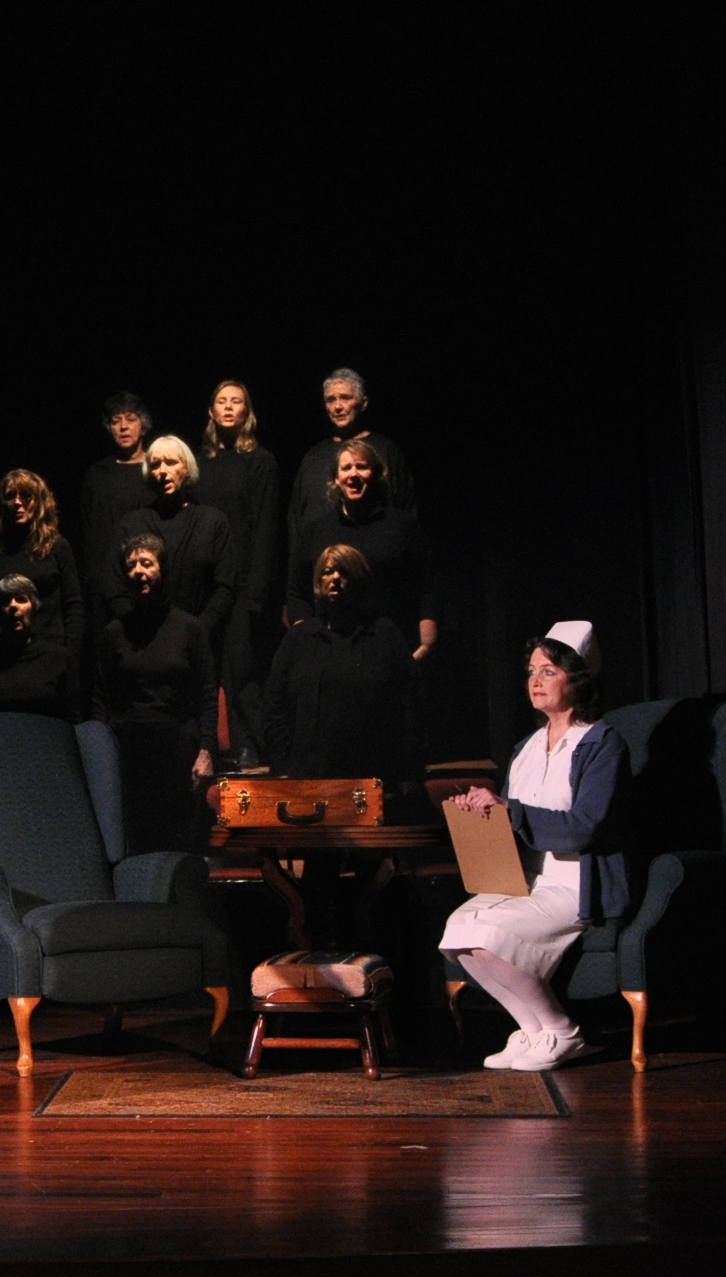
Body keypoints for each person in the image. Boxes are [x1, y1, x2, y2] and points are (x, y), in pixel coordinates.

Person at [441, 623, 631, 1072]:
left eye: (548, 671)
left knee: (485, 935)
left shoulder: (601, 743)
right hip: (524, 878)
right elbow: (512, 819)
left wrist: (510, 811)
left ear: (576, 679)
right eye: (531, 671)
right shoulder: (524, 748)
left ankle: (563, 1032)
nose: (535, 681)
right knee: (456, 932)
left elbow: (585, 827)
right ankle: (533, 1030)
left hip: (575, 885)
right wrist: (481, 813)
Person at [262, 544, 420, 946]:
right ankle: (319, 964)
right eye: (327, 572)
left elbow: (409, 706)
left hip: (370, 780)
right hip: (313, 782)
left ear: (359, 580)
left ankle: (370, 961)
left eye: (343, 572)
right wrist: (283, 766)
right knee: (317, 882)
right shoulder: (301, 639)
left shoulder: (384, 636)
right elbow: (274, 704)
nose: (335, 579)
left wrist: (405, 771)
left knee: (372, 891)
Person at [92, 534, 216, 853]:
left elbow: (207, 694)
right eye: (131, 565)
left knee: (179, 846)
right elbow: (101, 698)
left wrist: (205, 752)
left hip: (178, 751)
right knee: (137, 846)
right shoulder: (114, 633)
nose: (138, 571)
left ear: (163, 570)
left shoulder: (190, 629)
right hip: (130, 753)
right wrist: (100, 757)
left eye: (146, 563)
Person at [191, 381, 282, 766]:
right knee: (206, 665)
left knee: (243, 669)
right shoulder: (199, 463)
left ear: (247, 412)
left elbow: (266, 528)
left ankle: (252, 746)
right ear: (211, 411)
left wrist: (258, 592)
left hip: (244, 583)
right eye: (221, 401)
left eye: (236, 402)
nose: (228, 408)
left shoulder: (260, 461)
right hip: (208, 580)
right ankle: (207, 746)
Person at [286, 438, 438, 661]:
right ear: (336, 478)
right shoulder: (317, 531)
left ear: (376, 474)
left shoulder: (402, 527)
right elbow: (297, 591)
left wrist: (425, 645)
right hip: (332, 654)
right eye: (346, 467)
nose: (353, 474)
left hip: (389, 651)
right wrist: (308, 640)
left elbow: (427, 587)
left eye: (362, 466)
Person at [107, 436, 237, 647]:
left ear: (187, 468)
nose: (163, 471)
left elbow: (224, 587)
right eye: (155, 464)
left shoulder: (212, 522)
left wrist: (198, 633)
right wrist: (140, 630)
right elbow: (115, 588)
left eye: (171, 462)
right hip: (143, 643)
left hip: (198, 642)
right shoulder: (131, 525)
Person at [288, 368, 417, 548]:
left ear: (363, 403)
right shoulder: (313, 456)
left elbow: (406, 513)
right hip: (322, 557)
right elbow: (297, 518)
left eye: (345, 398)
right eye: (331, 400)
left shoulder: (386, 451)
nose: (338, 406)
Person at [0, 469, 87, 660]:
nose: (17, 502)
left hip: (50, 653)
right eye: (10, 496)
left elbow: (73, 606)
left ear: (38, 502)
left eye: (26, 495)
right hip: (1, 655)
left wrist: (70, 658)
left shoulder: (57, 547)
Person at [0, 574, 81, 720]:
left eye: (21, 599)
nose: (13, 605)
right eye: (5, 601)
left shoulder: (58, 659)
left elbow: (73, 718)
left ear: (34, 607)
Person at [80, 391, 157, 583]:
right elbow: (87, 529)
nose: (123, 427)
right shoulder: (97, 474)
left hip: (145, 574)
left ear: (143, 426)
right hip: (103, 573)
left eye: (131, 419)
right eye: (116, 421)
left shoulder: (156, 470)